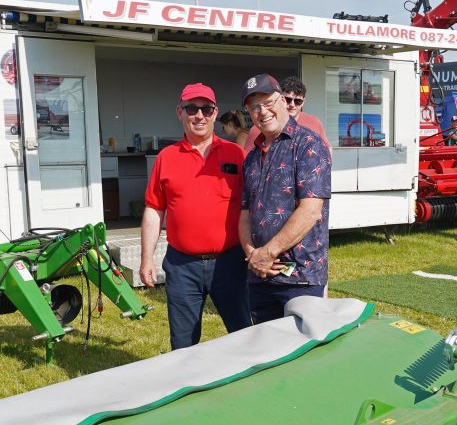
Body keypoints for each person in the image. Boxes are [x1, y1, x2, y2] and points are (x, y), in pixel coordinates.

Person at [140, 83, 251, 349]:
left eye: (206, 109)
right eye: (192, 108)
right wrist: (146, 258)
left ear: (215, 114)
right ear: (180, 112)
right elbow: (154, 210)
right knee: (183, 342)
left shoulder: (236, 154)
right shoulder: (166, 158)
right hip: (182, 267)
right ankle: (187, 387)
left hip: (230, 263)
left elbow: (253, 205)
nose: (199, 115)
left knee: (244, 335)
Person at [238, 73, 332, 324]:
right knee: (265, 353)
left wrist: (266, 253)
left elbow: (311, 211)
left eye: (268, 103)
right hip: (260, 275)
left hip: (299, 276)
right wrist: (252, 255)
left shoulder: (309, 145)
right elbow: (245, 213)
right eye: (254, 107)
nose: (262, 112)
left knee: (305, 356)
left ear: (282, 101)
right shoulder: (251, 158)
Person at [247, 76, 330, 149]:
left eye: (298, 101)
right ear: (282, 99)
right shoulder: (258, 128)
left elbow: (327, 148)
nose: (292, 105)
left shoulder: (314, 122)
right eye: (288, 100)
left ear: (303, 102)